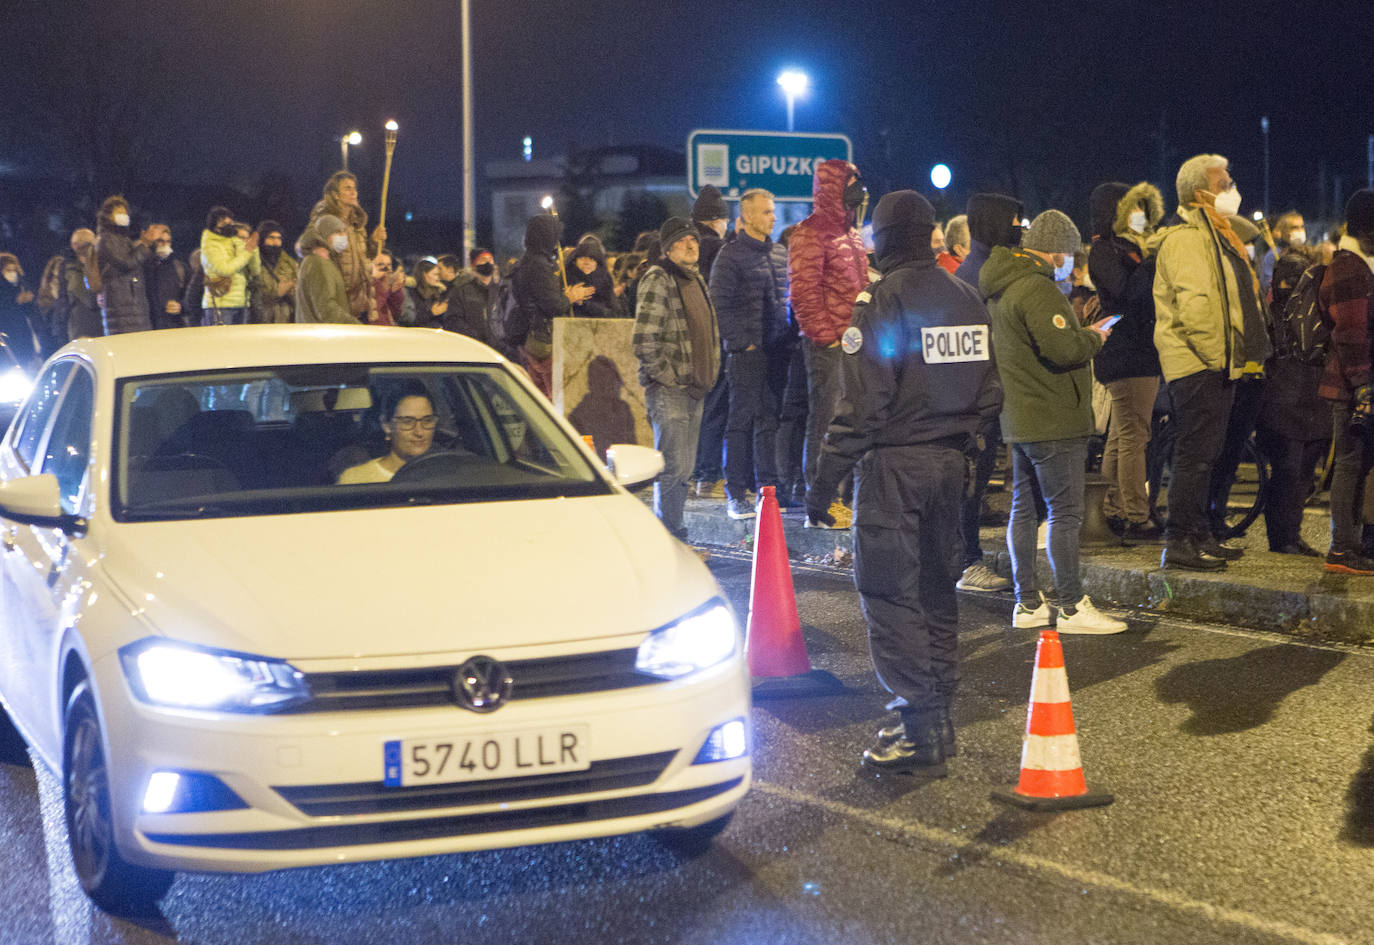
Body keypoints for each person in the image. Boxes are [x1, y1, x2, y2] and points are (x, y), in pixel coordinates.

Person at [805, 190, 1002, 774]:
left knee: (891, 594)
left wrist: (825, 479)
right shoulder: (967, 297)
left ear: (887, 238)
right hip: (953, 467)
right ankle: (937, 717)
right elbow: (993, 391)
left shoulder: (881, 301)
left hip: (896, 469)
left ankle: (917, 728)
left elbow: (863, 402)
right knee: (939, 592)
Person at [982, 210, 1126, 634]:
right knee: (1065, 513)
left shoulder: (1003, 285)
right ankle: (1072, 606)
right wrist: (1094, 336)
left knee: (1023, 509)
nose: (1072, 263)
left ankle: (1027, 604)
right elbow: (1064, 351)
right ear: (1055, 251)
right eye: (1069, 254)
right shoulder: (1037, 289)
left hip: (1021, 417)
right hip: (1053, 417)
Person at [1154, 154, 1266, 571]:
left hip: (1218, 361)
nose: (1232, 189)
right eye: (1224, 184)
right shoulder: (1188, 240)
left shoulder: (1216, 235)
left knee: (1209, 453)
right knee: (1195, 455)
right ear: (1200, 192)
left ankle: (1199, 532)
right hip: (1200, 363)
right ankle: (1178, 540)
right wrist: (1216, 358)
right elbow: (1197, 307)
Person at [788, 160, 868, 525]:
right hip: (830, 346)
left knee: (854, 422)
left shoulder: (851, 235)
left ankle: (847, 496)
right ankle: (819, 501)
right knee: (826, 422)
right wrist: (828, 339)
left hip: (855, 343)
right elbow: (803, 293)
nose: (858, 191)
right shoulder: (810, 233)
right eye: (850, 184)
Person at [952, 192, 1024, 593]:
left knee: (977, 482)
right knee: (972, 482)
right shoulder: (976, 275)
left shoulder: (988, 267)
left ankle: (964, 557)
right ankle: (967, 562)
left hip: (987, 393)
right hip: (979, 397)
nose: (1018, 228)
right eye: (1012, 221)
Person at [633, 217, 722, 540]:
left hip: (695, 390)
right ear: (668, 248)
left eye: (694, 240)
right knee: (672, 470)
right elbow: (644, 339)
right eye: (683, 241)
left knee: (683, 471)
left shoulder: (694, 278)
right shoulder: (660, 278)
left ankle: (674, 535)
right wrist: (668, 378)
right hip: (672, 391)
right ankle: (670, 538)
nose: (691, 245)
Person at [1089, 181, 1165, 540]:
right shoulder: (1105, 250)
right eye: (1132, 207)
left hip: (1138, 351)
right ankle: (1137, 513)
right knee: (1135, 435)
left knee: (1122, 436)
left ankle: (1114, 509)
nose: (1139, 215)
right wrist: (1150, 262)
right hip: (1127, 353)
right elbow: (1126, 294)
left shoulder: (1129, 247)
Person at [711, 188, 790, 520]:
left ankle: (768, 490)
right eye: (767, 212)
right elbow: (720, 304)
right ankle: (736, 494)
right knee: (740, 422)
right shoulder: (730, 256)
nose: (773, 216)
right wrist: (743, 343)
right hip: (747, 353)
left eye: (773, 211)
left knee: (769, 420)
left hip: (776, 352)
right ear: (747, 218)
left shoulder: (780, 254)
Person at [1254, 247, 1327, 556]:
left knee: (1302, 476)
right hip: (1284, 405)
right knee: (1288, 473)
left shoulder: (1315, 314)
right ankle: (1282, 538)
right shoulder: (1270, 315)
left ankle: (1291, 535)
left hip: (1311, 403)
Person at [1317, 190, 1374, 574]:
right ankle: (1341, 548)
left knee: (1357, 463)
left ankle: (1349, 543)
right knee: (1350, 464)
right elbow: (1351, 333)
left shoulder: (1354, 264)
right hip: (1352, 385)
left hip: (1354, 382)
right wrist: (1364, 385)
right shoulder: (1350, 268)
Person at [510, 213, 592, 397]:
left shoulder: (528, 260)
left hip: (531, 336)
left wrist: (565, 295)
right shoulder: (539, 264)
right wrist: (571, 297)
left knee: (540, 393)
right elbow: (552, 305)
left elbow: (540, 296)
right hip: (542, 338)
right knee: (553, 395)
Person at [690, 184, 733, 499]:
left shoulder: (683, 249)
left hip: (687, 340)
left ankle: (691, 475)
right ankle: (709, 476)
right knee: (717, 407)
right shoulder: (721, 250)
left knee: (694, 408)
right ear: (718, 220)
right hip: (718, 337)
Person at [311, 171, 383, 323]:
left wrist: (374, 242)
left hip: (358, 301)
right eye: (347, 188)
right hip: (337, 300)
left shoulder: (357, 225)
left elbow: (363, 257)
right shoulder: (326, 222)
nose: (353, 192)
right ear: (336, 195)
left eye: (354, 188)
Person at [338, 389, 437, 484]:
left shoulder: (448, 473)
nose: (419, 432)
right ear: (386, 425)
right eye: (407, 422)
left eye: (427, 421)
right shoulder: (356, 478)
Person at [95, 196, 158, 335]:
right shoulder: (106, 240)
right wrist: (144, 245)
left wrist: (149, 245)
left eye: (125, 213)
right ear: (107, 216)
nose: (124, 216)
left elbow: (139, 264)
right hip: (120, 308)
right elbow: (126, 263)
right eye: (119, 212)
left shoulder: (124, 239)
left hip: (135, 307)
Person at [199, 206, 260, 326]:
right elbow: (225, 270)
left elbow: (255, 270)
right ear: (215, 224)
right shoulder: (210, 244)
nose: (229, 224)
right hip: (220, 305)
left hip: (241, 302)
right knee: (221, 343)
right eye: (224, 221)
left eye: (230, 221)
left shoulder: (233, 239)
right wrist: (248, 252)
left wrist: (254, 249)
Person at [295, 215, 355, 324]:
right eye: (337, 232)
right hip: (319, 337)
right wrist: (355, 326)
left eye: (344, 231)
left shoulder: (323, 261)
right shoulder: (318, 263)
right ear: (324, 236)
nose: (343, 236)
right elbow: (327, 310)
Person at [444, 248, 502, 348]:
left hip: (500, 349)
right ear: (474, 265)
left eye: (490, 259)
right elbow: (454, 320)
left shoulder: (501, 290)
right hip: (474, 346)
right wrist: (476, 338)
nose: (488, 263)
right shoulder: (461, 291)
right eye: (483, 260)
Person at [250, 221, 297, 324]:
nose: (276, 242)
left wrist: (293, 291)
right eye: (271, 237)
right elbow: (252, 292)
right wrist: (277, 291)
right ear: (262, 239)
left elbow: (298, 286)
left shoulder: (289, 263)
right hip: (261, 318)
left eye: (279, 238)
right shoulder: (253, 262)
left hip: (286, 318)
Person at [562, 236, 622, 317]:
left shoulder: (605, 281)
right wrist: (568, 299)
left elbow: (614, 313)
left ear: (597, 263)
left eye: (592, 259)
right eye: (582, 258)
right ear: (575, 261)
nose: (587, 262)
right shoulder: (564, 279)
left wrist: (583, 303)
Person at [142, 224, 187, 330]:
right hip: (148, 327)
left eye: (168, 241)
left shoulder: (179, 267)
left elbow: (191, 297)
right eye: (160, 241)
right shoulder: (142, 266)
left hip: (173, 326)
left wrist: (181, 306)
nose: (165, 245)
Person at [0, 254, 41, 369]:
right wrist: (15, 302)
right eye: (8, 270)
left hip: (24, 335)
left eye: (14, 270)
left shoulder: (22, 285)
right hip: (7, 336)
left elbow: (30, 312)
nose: (12, 273)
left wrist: (28, 301)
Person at [63, 228, 103, 341]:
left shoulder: (100, 264)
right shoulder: (71, 269)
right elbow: (90, 300)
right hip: (83, 329)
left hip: (98, 326)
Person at [1259, 211, 1305, 299]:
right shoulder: (1274, 254)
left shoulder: (1305, 252)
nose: (1300, 231)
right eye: (1294, 228)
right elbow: (1266, 284)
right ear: (1284, 230)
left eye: (1302, 227)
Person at [403, 257, 448, 328]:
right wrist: (431, 313)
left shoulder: (438, 293)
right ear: (424, 274)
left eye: (439, 275)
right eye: (435, 274)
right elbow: (410, 320)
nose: (438, 278)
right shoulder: (412, 293)